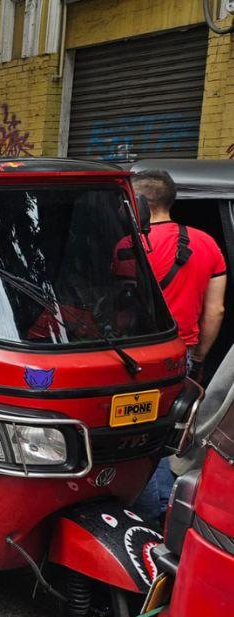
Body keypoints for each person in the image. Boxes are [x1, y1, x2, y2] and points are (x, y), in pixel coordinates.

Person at [131, 170, 227, 522]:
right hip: (180, 355)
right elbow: (215, 309)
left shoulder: (127, 243)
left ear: (138, 203)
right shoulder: (207, 244)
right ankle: (171, 506)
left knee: (139, 436)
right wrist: (200, 353)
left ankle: (153, 516)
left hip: (134, 358)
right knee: (171, 432)